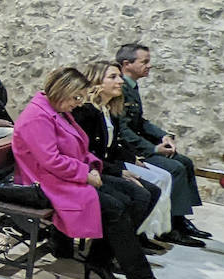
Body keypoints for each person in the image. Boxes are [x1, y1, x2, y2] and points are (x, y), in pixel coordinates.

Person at [12, 67, 178, 279]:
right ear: (62, 91)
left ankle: (101, 260)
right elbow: (51, 160)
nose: (79, 103)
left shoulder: (58, 111)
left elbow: (81, 146)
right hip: (48, 183)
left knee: (140, 195)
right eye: (76, 97)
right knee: (115, 206)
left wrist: (90, 165)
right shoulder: (37, 116)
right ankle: (140, 275)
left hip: (68, 175)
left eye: (81, 97)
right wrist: (84, 173)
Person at [115, 43, 210, 246]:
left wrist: (163, 136)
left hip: (138, 145)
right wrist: (152, 149)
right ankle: (168, 228)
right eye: (145, 62)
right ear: (127, 64)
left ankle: (179, 219)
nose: (149, 66)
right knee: (174, 168)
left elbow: (140, 122)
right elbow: (123, 131)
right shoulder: (120, 88)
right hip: (130, 151)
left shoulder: (131, 85)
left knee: (184, 161)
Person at [72, 61, 174, 245]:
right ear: (96, 81)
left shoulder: (109, 110)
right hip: (92, 170)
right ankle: (114, 249)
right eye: (113, 77)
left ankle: (129, 241)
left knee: (153, 188)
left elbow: (113, 146)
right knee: (138, 194)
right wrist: (119, 171)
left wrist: (131, 160)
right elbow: (86, 153)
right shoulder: (86, 112)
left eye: (119, 76)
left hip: (106, 166)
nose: (120, 81)